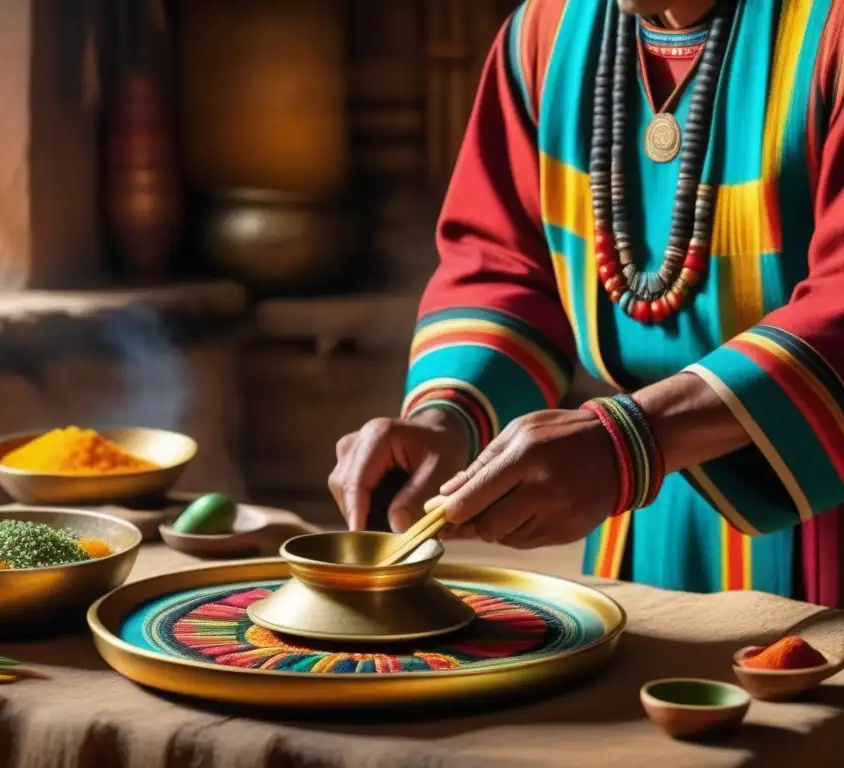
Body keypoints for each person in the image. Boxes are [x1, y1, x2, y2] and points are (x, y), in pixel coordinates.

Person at [329, 0, 844, 607]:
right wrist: (450, 415)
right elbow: (503, 264)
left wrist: (630, 443)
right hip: (639, 512)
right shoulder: (546, 33)